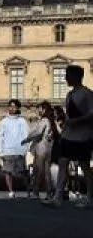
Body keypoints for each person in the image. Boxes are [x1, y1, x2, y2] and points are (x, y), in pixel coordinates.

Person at [43, 64, 93, 208]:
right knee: (63, 162)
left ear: (77, 76)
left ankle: (89, 197)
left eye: (68, 75)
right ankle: (58, 196)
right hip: (69, 135)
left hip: (82, 136)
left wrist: (75, 122)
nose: (65, 78)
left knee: (85, 166)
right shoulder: (69, 95)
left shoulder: (87, 94)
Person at [0, 99, 29, 198]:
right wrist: (0, 152)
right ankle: (11, 191)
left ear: (18, 108)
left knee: (22, 172)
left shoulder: (22, 121)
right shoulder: (3, 122)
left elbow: (26, 135)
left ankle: (28, 190)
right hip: (7, 150)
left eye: (14, 106)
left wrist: (25, 149)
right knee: (8, 172)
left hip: (19, 150)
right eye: (10, 106)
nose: (12, 108)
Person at [22, 101, 55, 199]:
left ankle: (35, 193)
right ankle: (49, 193)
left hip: (41, 149)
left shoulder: (44, 120)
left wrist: (27, 138)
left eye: (39, 108)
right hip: (48, 149)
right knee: (46, 172)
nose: (38, 110)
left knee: (37, 172)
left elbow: (38, 132)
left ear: (44, 109)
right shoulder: (51, 120)